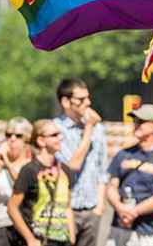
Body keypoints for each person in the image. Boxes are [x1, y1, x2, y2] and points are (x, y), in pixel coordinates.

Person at [105, 104, 153, 246]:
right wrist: (120, 208)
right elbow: (111, 187)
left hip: (147, 232)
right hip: (119, 227)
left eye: (141, 121)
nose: (136, 125)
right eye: (135, 121)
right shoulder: (123, 154)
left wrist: (134, 212)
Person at [53, 78, 108, 246]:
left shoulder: (98, 128)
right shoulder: (55, 130)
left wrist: (99, 207)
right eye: (81, 99)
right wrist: (89, 129)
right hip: (65, 210)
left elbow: (102, 170)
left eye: (88, 98)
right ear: (65, 101)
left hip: (92, 210)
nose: (88, 103)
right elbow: (73, 166)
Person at [7, 119, 75, 246]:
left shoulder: (65, 170)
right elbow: (12, 208)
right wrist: (30, 239)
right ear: (41, 141)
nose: (60, 138)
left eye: (60, 134)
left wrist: (72, 236)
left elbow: (67, 206)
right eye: (54, 135)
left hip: (62, 240)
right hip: (37, 239)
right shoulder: (29, 170)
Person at [0, 117, 32, 246]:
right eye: (8, 135)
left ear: (27, 140)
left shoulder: (31, 165)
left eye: (18, 136)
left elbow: (26, 189)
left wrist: (8, 165)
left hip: (22, 227)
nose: (12, 139)